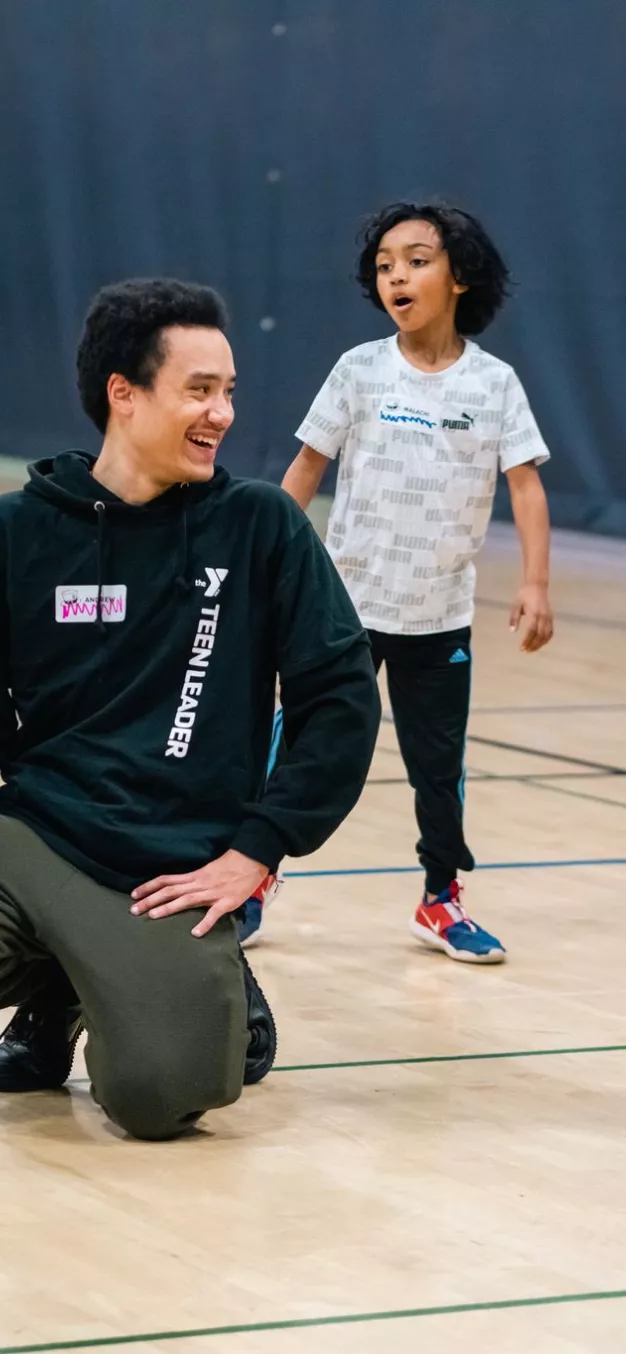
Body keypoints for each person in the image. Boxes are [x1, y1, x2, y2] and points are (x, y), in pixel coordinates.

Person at [0, 278, 379, 1140]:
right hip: (35, 839)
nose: (223, 414)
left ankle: (155, 978)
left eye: (229, 392)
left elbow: (340, 696)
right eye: (200, 391)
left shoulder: (258, 526)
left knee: (161, 1096)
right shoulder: (20, 533)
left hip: (167, 873)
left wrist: (260, 847)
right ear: (123, 396)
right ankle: (62, 986)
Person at [264, 201, 554, 964]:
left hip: (439, 618)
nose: (398, 274)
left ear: (460, 276)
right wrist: (265, 554)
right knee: (299, 748)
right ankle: (253, 877)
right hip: (344, 611)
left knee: (438, 770)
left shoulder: (495, 385)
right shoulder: (359, 371)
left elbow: (525, 485)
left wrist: (535, 584)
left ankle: (440, 900)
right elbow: (306, 467)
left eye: (417, 259)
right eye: (386, 264)